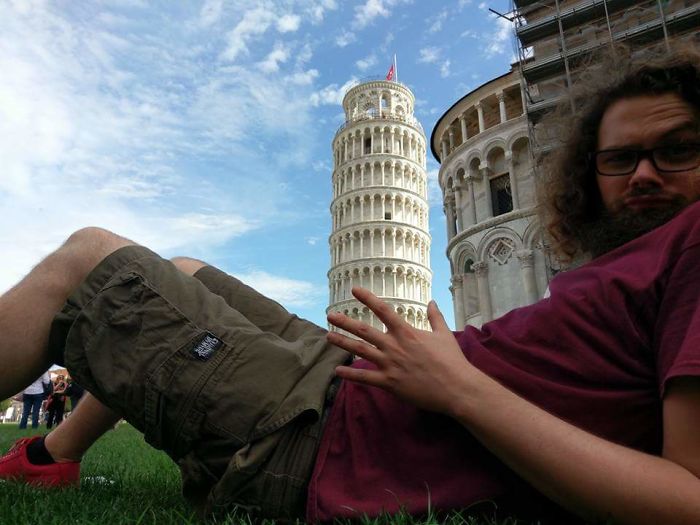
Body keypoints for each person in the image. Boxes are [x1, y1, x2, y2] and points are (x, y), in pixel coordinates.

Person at [0, 41, 699, 525]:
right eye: (619, 159)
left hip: (328, 435)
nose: (642, 174)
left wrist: (461, 388)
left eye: (677, 150)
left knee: (87, 258)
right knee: (182, 272)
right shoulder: (643, 256)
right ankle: (51, 458)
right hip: (352, 382)